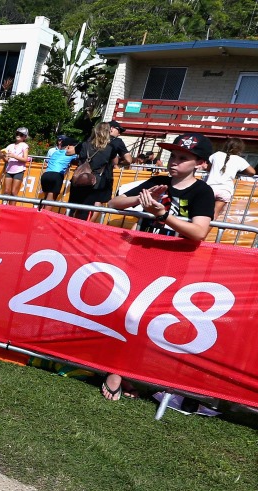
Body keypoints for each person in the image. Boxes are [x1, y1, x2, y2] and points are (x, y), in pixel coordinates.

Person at [104, 133, 217, 401]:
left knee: (147, 320)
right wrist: (139, 200)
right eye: (172, 156)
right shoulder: (158, 182)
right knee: (127, 313)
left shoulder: (202, 191)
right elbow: (114, 203)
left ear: (200, 163)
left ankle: (124, 371)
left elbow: (199, 232)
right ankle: (116, 370)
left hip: (175, 263)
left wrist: (163, 215)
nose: (173, 162)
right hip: (141, 257)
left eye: (182, 158)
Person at [68, 122, 128, 220]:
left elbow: (69, 152)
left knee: (72, 207)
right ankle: (77, 231)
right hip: (95, 182)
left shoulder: (84, 144)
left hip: (79, 179)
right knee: (85, 209)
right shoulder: (110, 148)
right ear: (108, 132)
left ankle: (65, 228)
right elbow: (115, 162)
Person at [205, 137, 256, 220]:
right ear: (240, 148)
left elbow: (208, 168)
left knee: (202, 212)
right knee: (214, 215)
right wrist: (238, 172)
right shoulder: (239, 160)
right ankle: (203, 232)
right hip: (225, 190)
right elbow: (252, 172)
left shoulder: (217, 154)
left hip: (209, 188)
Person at [38, 136, 76, 203]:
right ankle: (46, 213)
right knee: (51, 200)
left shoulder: (55, 152)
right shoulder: (71, 155)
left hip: (46, 175)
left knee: (45, 198)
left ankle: (40, 211)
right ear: (68, 146)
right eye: (74, 146)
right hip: (56, 175)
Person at [0, 127, 30, 197]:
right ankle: (4, 207)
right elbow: (6, 160)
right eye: (17, 133)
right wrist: (2, 156)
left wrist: (14, 156)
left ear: (25, 137)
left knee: (14, 192)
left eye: (21, 134)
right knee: (6, 191)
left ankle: (12, 208)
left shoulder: (24, 145)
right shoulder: (10, 146)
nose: (18, 135)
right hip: (9, 170)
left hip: (19, 171)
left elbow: (25, 159)